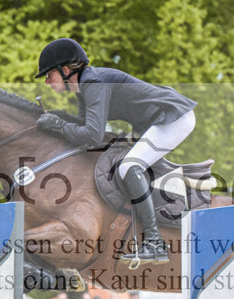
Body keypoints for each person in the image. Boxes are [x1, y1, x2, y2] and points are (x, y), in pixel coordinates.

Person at [34, 37, 197, 265]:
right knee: (122, 160)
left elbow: (91, 134)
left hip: (172, 117)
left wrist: (59, 125)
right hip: (153, 122)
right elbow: (85, 132)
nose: (47, 82)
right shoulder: (84, 87)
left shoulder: (94, 83)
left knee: (129, 166)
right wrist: (58, 122)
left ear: (66, 69)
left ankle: (154, 242)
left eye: (49, 75)